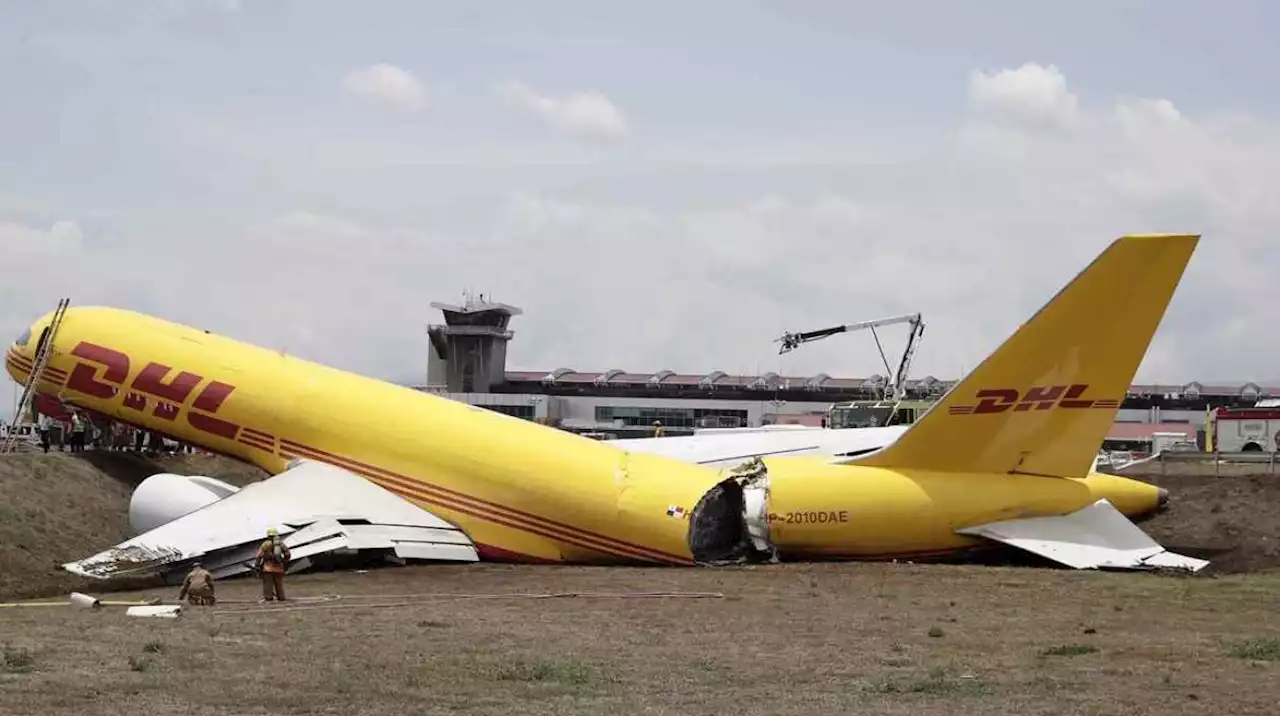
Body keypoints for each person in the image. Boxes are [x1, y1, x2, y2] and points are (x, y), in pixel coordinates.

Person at [254, 528, 291, 602]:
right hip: (279, 568)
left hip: (267, 568)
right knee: (279, 584)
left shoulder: (265, 544)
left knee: (268, 583)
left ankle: (269, 598)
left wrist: (257, 565)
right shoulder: (281, 544)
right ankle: (281, 597)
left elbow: (259, 555)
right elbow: (287, 554)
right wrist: (284, 562)